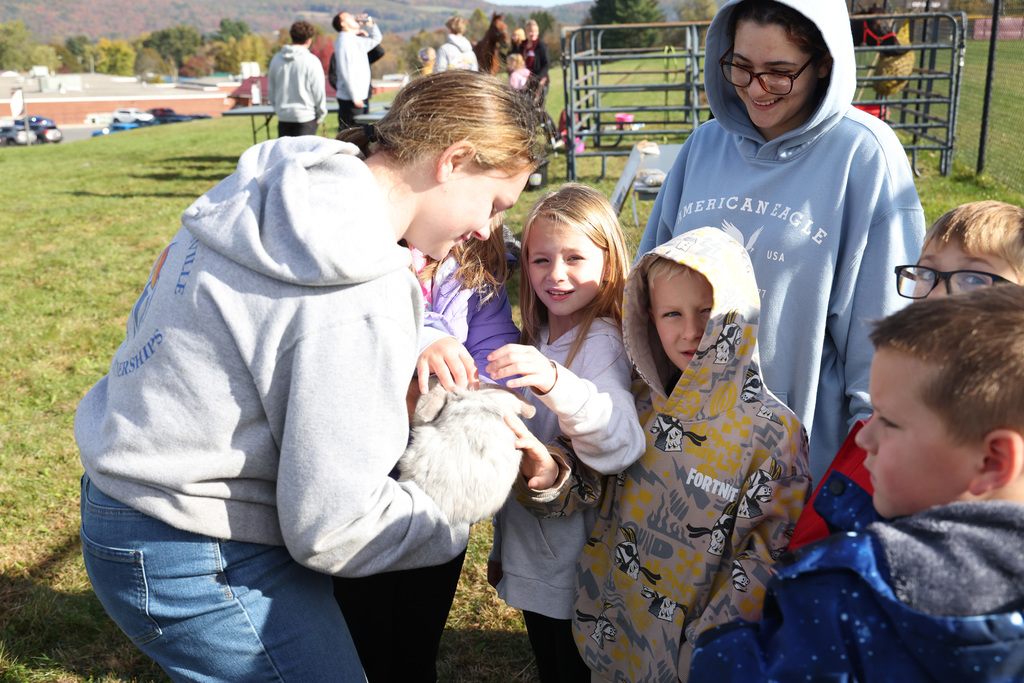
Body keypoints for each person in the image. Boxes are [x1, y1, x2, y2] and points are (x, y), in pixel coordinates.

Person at [75, 70, 542, 682]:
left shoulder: (269, 193)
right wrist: (452, 519)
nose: (486, 229)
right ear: (452, 161)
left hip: (124, 497)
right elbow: (333, 525)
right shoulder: (360, 287)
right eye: (494, 203)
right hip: (198, 548)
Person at [636, 0, 925, 483]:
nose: (755, 89)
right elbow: (647, 291)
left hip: (798, 467)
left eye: (779, 72)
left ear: (825, 63)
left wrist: (858, 477)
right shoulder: (702, 147)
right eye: (742, 68)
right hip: (685, 449)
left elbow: (887, 342)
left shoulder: (865, 156)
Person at [689, 284, 1024, 682]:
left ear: (992, 460)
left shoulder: (843, 592)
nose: (864, 437)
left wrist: (718, 646)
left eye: (889, 421)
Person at [519, 227, 811, 682]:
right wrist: (550, 472)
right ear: (648, 318)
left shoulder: (773, 433)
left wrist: (704, 649)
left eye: (708, 312)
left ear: (739, 313)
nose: (692, 331)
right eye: (671, 314)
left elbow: (764, 559)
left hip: (691, 659)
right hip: (609, 633)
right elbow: (592, 473)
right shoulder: (636, 399)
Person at [332, 220, 522, 683]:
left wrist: (493, 383)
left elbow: (493, 339)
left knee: (423, 613)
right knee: (364, 612)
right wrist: (427, 339)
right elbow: (365, 318)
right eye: (487, 200)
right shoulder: (374, 244)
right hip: (374, 464)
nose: (484, 220)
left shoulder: (478, 263)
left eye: (498, 210)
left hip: (445, 465)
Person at [788, 199, 1024, 550]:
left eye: (974, 278)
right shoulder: (882, 419)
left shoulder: (970, 453)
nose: (939, 293)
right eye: (927, 273)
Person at [486, 183, 646, 683]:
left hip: (574, 569)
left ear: (609, 263)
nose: (556, 275)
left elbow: (619, 441)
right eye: (540, 260)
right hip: (537, 553)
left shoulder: (602, 344)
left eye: (575, 258)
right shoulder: (539, 336)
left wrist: (555, 381)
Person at [267, 20, 328, 138]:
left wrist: (278, 109)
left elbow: (271, 89)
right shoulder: (311, 61)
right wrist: (321, 114)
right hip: (306, 116)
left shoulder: (276, 59)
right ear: (309, 40)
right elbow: (318, 90)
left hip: (283, 116)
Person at [332, 11, 382, 129]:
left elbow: (376, 39)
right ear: (343, 24)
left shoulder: (354, 40)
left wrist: (370, 25)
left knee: (362, 135)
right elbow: (346, 72)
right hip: (351, 100)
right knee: (352, 135)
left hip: (360, 97)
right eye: (349, 16)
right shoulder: (344, 42)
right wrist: (355, 97)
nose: (353, 16)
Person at [518, 20, 550, 103]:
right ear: (527, 31)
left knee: (535, 109)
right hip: (522, 82)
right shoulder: (522, 45)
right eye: (531, 31)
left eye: (535, 31)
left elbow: (546, 64)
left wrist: (536, 78)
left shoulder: (541, 45)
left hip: (538, 82)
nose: (533, 34)